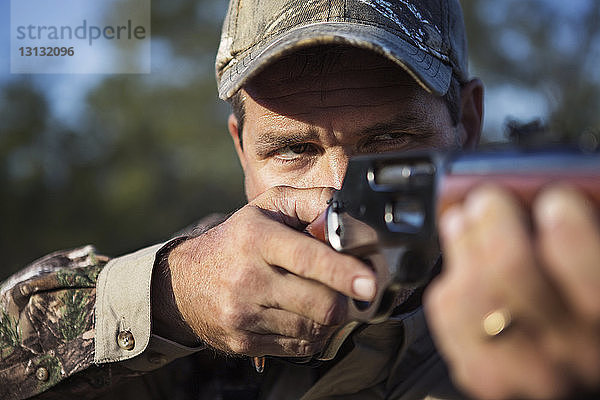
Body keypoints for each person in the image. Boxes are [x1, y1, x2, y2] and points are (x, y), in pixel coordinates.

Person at [1, 0, 600, 399]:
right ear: (242, 151)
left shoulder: (572, 278)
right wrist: (170, 298)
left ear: (467, 126)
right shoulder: (197, 294)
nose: (338, 191)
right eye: (292, 149)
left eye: (390, 140)